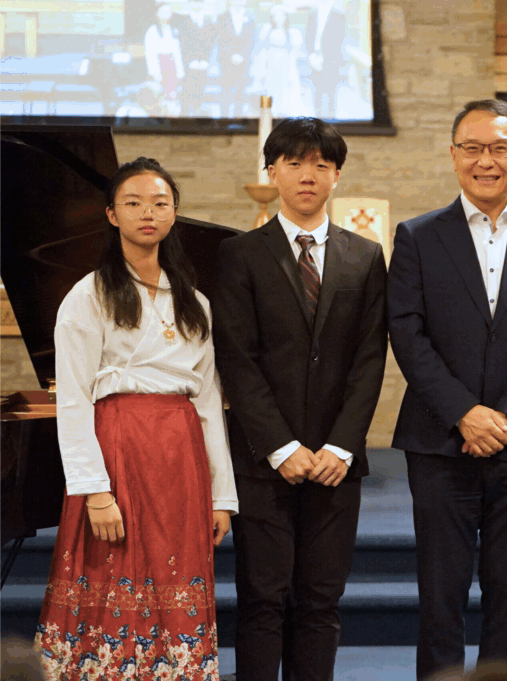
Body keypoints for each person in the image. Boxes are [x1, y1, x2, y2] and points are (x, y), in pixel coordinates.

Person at [388, 99, 507, 679]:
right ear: (453, 156)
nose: (486, 161)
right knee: (440, 599)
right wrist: (464, 413)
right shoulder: (418, 237)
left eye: (499, 148)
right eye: (472, 148)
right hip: (439, 442)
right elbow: (407, 333)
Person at [34, 157, 237, 680]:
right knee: (113, 576)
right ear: (111, 214)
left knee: (177, 580)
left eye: (160, 203)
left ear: (174, 213)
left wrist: (221, 495)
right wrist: (94, 491)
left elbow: (208, 402)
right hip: (119, 448)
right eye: (134, 202)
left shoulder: (194, 302)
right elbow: (73, 399)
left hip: (180, 454)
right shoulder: (89, 295)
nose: (148, 212)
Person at [212, 117, 387, 681]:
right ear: (273, 172)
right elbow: (237, 359)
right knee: (263, 600)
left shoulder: (366, 256)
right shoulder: (240, 254)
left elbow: (369, 359)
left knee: (320, 601)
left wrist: (341, 446)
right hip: (264, 462)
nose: (307, 175)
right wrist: (281, 447)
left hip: (337, 462)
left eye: (320, 164)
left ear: (337, 175)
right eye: (294, 163)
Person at [143, 4, 184, 114]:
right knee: (160, 95)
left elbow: (177, 52)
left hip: (172, 66)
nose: (165, 15)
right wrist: (155, 72)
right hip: (161, 66)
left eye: (168, 13)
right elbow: (150, 54)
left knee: (173, 95)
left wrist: (180, 71)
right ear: (157, 14)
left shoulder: (173, 30)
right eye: (163, 12)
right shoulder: (152, 31)